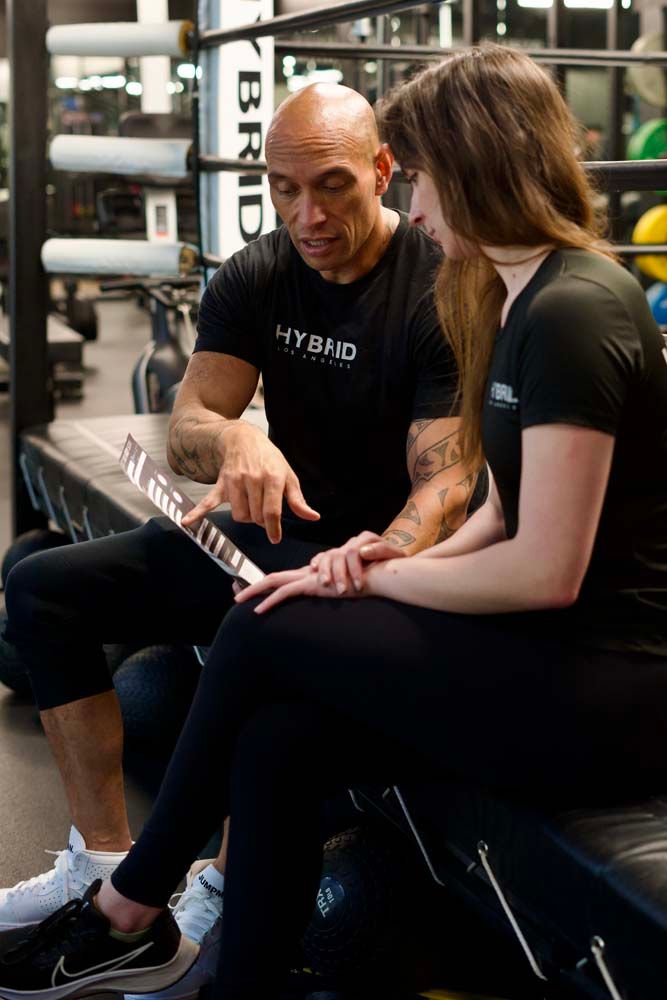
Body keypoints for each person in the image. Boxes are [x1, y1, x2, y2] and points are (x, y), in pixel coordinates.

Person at [3, 42, 666, 1000]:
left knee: (268, 620)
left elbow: (546, 570)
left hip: (606, 689)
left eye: (423, 174)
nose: (422, 208)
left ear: (465, 166)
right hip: (542, 652)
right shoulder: (521, 297)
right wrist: (364, 553)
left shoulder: (572, 309)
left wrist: (366, 573)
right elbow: (502, 508)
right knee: (278, 742)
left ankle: (127, 910)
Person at [0, 83, 473, 995]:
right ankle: (100, 866)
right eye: (283, 188)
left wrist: (374, 558)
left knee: (258, 643)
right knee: (43, 589)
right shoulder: (259, 272)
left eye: (332, 185)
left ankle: (209, 891)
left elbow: (445, 480)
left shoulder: (435, 288)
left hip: (363, 564)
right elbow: (190, 425)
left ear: (383, 171)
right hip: (259, 533)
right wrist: (238, 437)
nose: (308, 214)